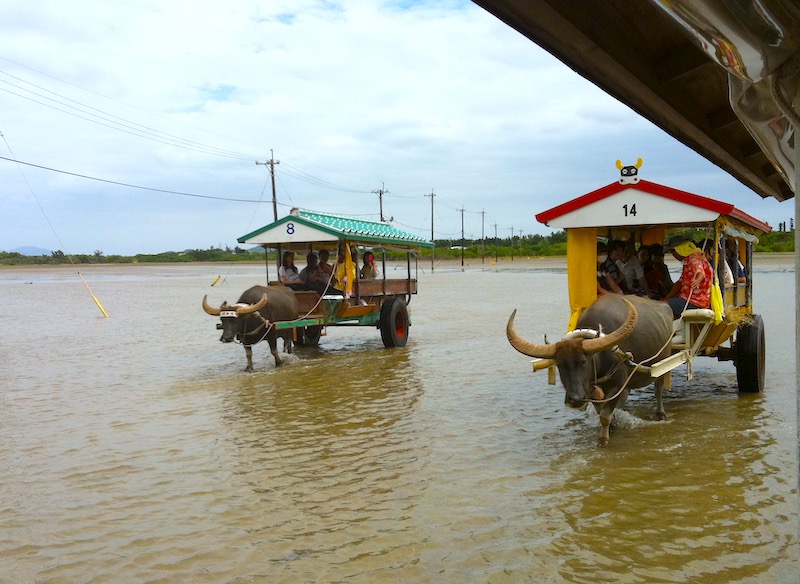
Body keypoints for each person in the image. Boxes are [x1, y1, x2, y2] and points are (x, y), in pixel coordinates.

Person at [663, 234, 713, 318]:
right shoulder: (687, 260)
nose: (673, 255)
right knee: (666, 302)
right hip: (689, 299)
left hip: (695, 301)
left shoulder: (693, 257)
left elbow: (700, 272)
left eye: (673, 251)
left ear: (680, 250)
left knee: (664, 306)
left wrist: (697, 280)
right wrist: (666, 298)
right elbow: (679, 283)